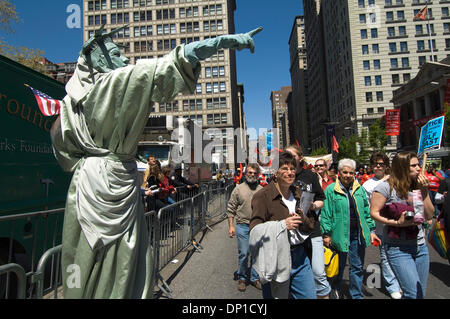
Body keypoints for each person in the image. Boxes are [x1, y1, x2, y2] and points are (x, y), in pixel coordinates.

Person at [50, 24, 262, 299]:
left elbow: (59, 141)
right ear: (99, 59)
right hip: (113, 176)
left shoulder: (70, 102)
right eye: (116, 52)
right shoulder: (117, 82)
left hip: (86, 181)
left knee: (83, 251)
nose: (125, 59)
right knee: (124, 255)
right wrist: (225, 40)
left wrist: (86, 163)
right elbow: (176, 59)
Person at [250, 151, 317, 299]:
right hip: (275, 257)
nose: (290, 172)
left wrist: (304, 218)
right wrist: (282, 225)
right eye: (284, 169)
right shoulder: (263, 196)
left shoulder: (300, 193)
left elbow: (311, 225)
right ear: (276, 172)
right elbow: (254, 230)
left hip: (300, 257)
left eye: (292, 169)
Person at [369, 151, 434, 299]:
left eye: (418, 164)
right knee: (412, 294)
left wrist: (423, 191)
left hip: (420, 246)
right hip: (398, 248)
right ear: (402, 167)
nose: (419, 168)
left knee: (419, 293)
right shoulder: (385, 187)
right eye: (414, 165)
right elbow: (374, 213)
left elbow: (429, 215)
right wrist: (397, 223)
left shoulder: (418, 186)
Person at [321, 158, 380, 299]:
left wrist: (371, 230)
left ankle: (356, 295)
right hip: (339, 235)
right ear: (339, 173)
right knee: (338, 267)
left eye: (351, 173)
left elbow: (366, 211)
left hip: (357, 235)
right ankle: (335, 289)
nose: (348, 175)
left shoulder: (359, 189)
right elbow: (326, 213)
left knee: (357, 267)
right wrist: (326, 234)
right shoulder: (330, 190)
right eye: (345, 172)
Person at [285, 145, 330, 299]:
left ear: (301, 158)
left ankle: (324, 294)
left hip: (311, 229)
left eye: (292, 155)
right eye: (286, 155)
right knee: (294, 273)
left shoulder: (310, 176)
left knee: (318, 272)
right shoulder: (282, 177)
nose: (289, 159)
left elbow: (321, 198)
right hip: (292, 233)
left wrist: (313, 206)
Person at [363, 152, 402, 299]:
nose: (378, 167)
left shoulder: (396, 180)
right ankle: (392, 286)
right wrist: (370, 228)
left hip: (399, 224)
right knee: (386, 256)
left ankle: (401, 280)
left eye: (381, 164)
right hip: (381, 226)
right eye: (375, 164)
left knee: (400, 254)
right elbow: (367, 208)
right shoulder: (367, 185)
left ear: (386, 166)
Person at [227, 164, 263, 292]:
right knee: (244, 253)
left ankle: (254, 278)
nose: (252, 175)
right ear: (245, 173)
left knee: (256, 254)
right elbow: (231, 208)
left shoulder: (261, 190)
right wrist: (231, 226)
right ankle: (242, 278)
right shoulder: (238, 189)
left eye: (254, 173)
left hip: (257, 226)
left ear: (257, 174)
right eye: (250, 172)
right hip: (242, 225)